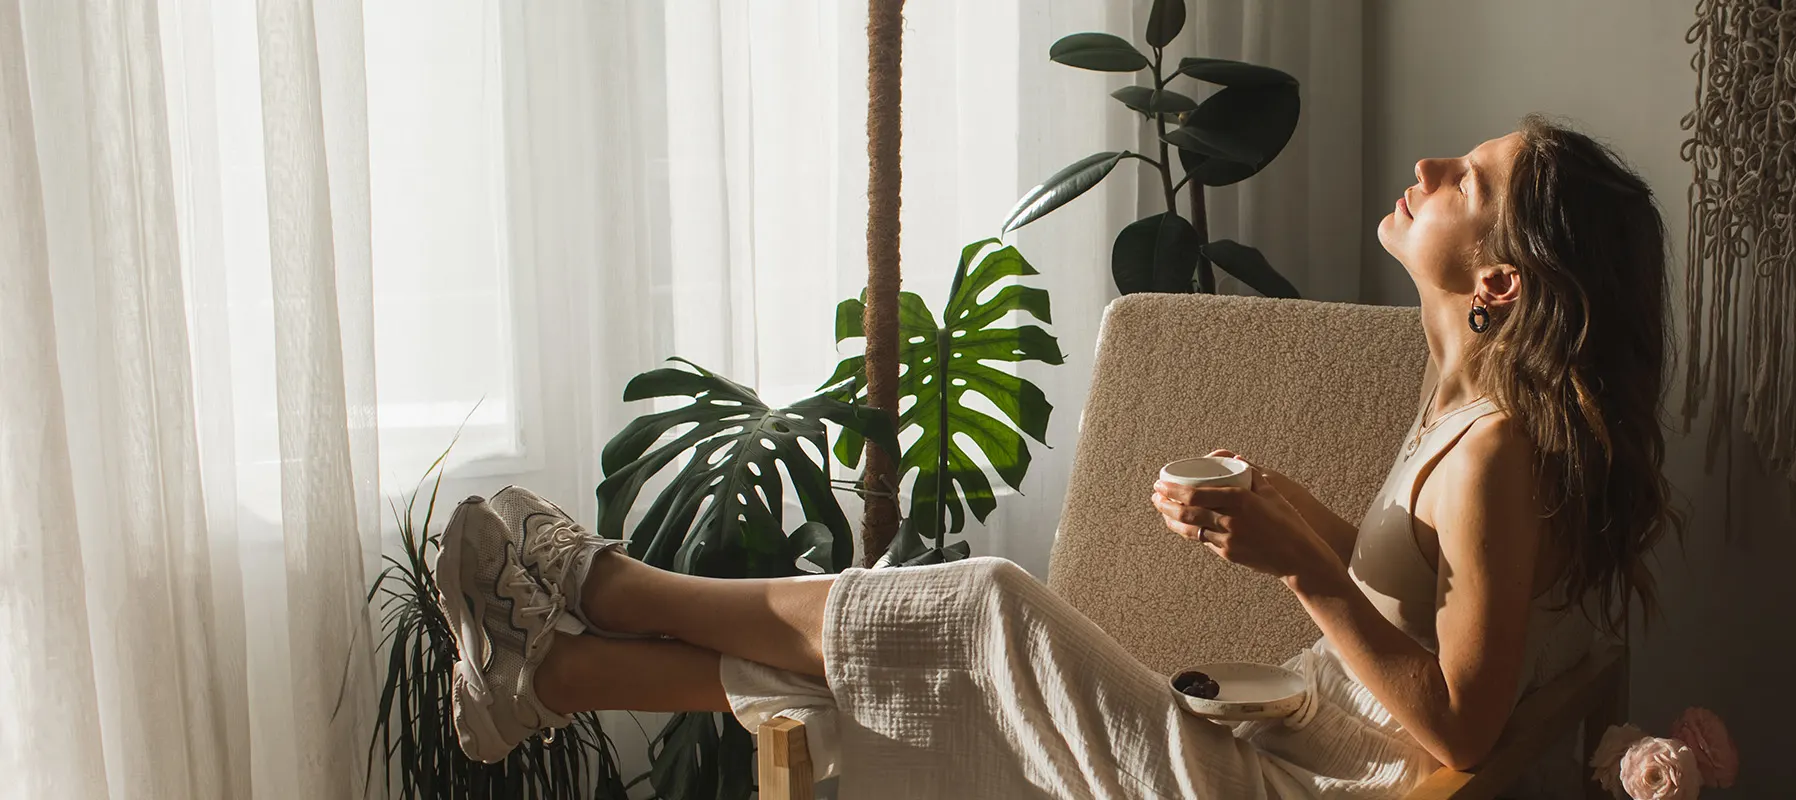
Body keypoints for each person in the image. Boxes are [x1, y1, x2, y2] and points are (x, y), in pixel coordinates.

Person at [433, 114, 1677, 799]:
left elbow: (1460, 728)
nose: (1428, 165)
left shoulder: (1497, 452)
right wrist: (1300, 517)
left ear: (1498, 281)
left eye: (1466, 178)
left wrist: (1308, 568)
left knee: (979, 606)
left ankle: (603, 587)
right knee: (931, 673)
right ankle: (566, 673)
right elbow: (1433, 608)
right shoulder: (1457, 405)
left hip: (1305, 792)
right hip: (1288, 737)